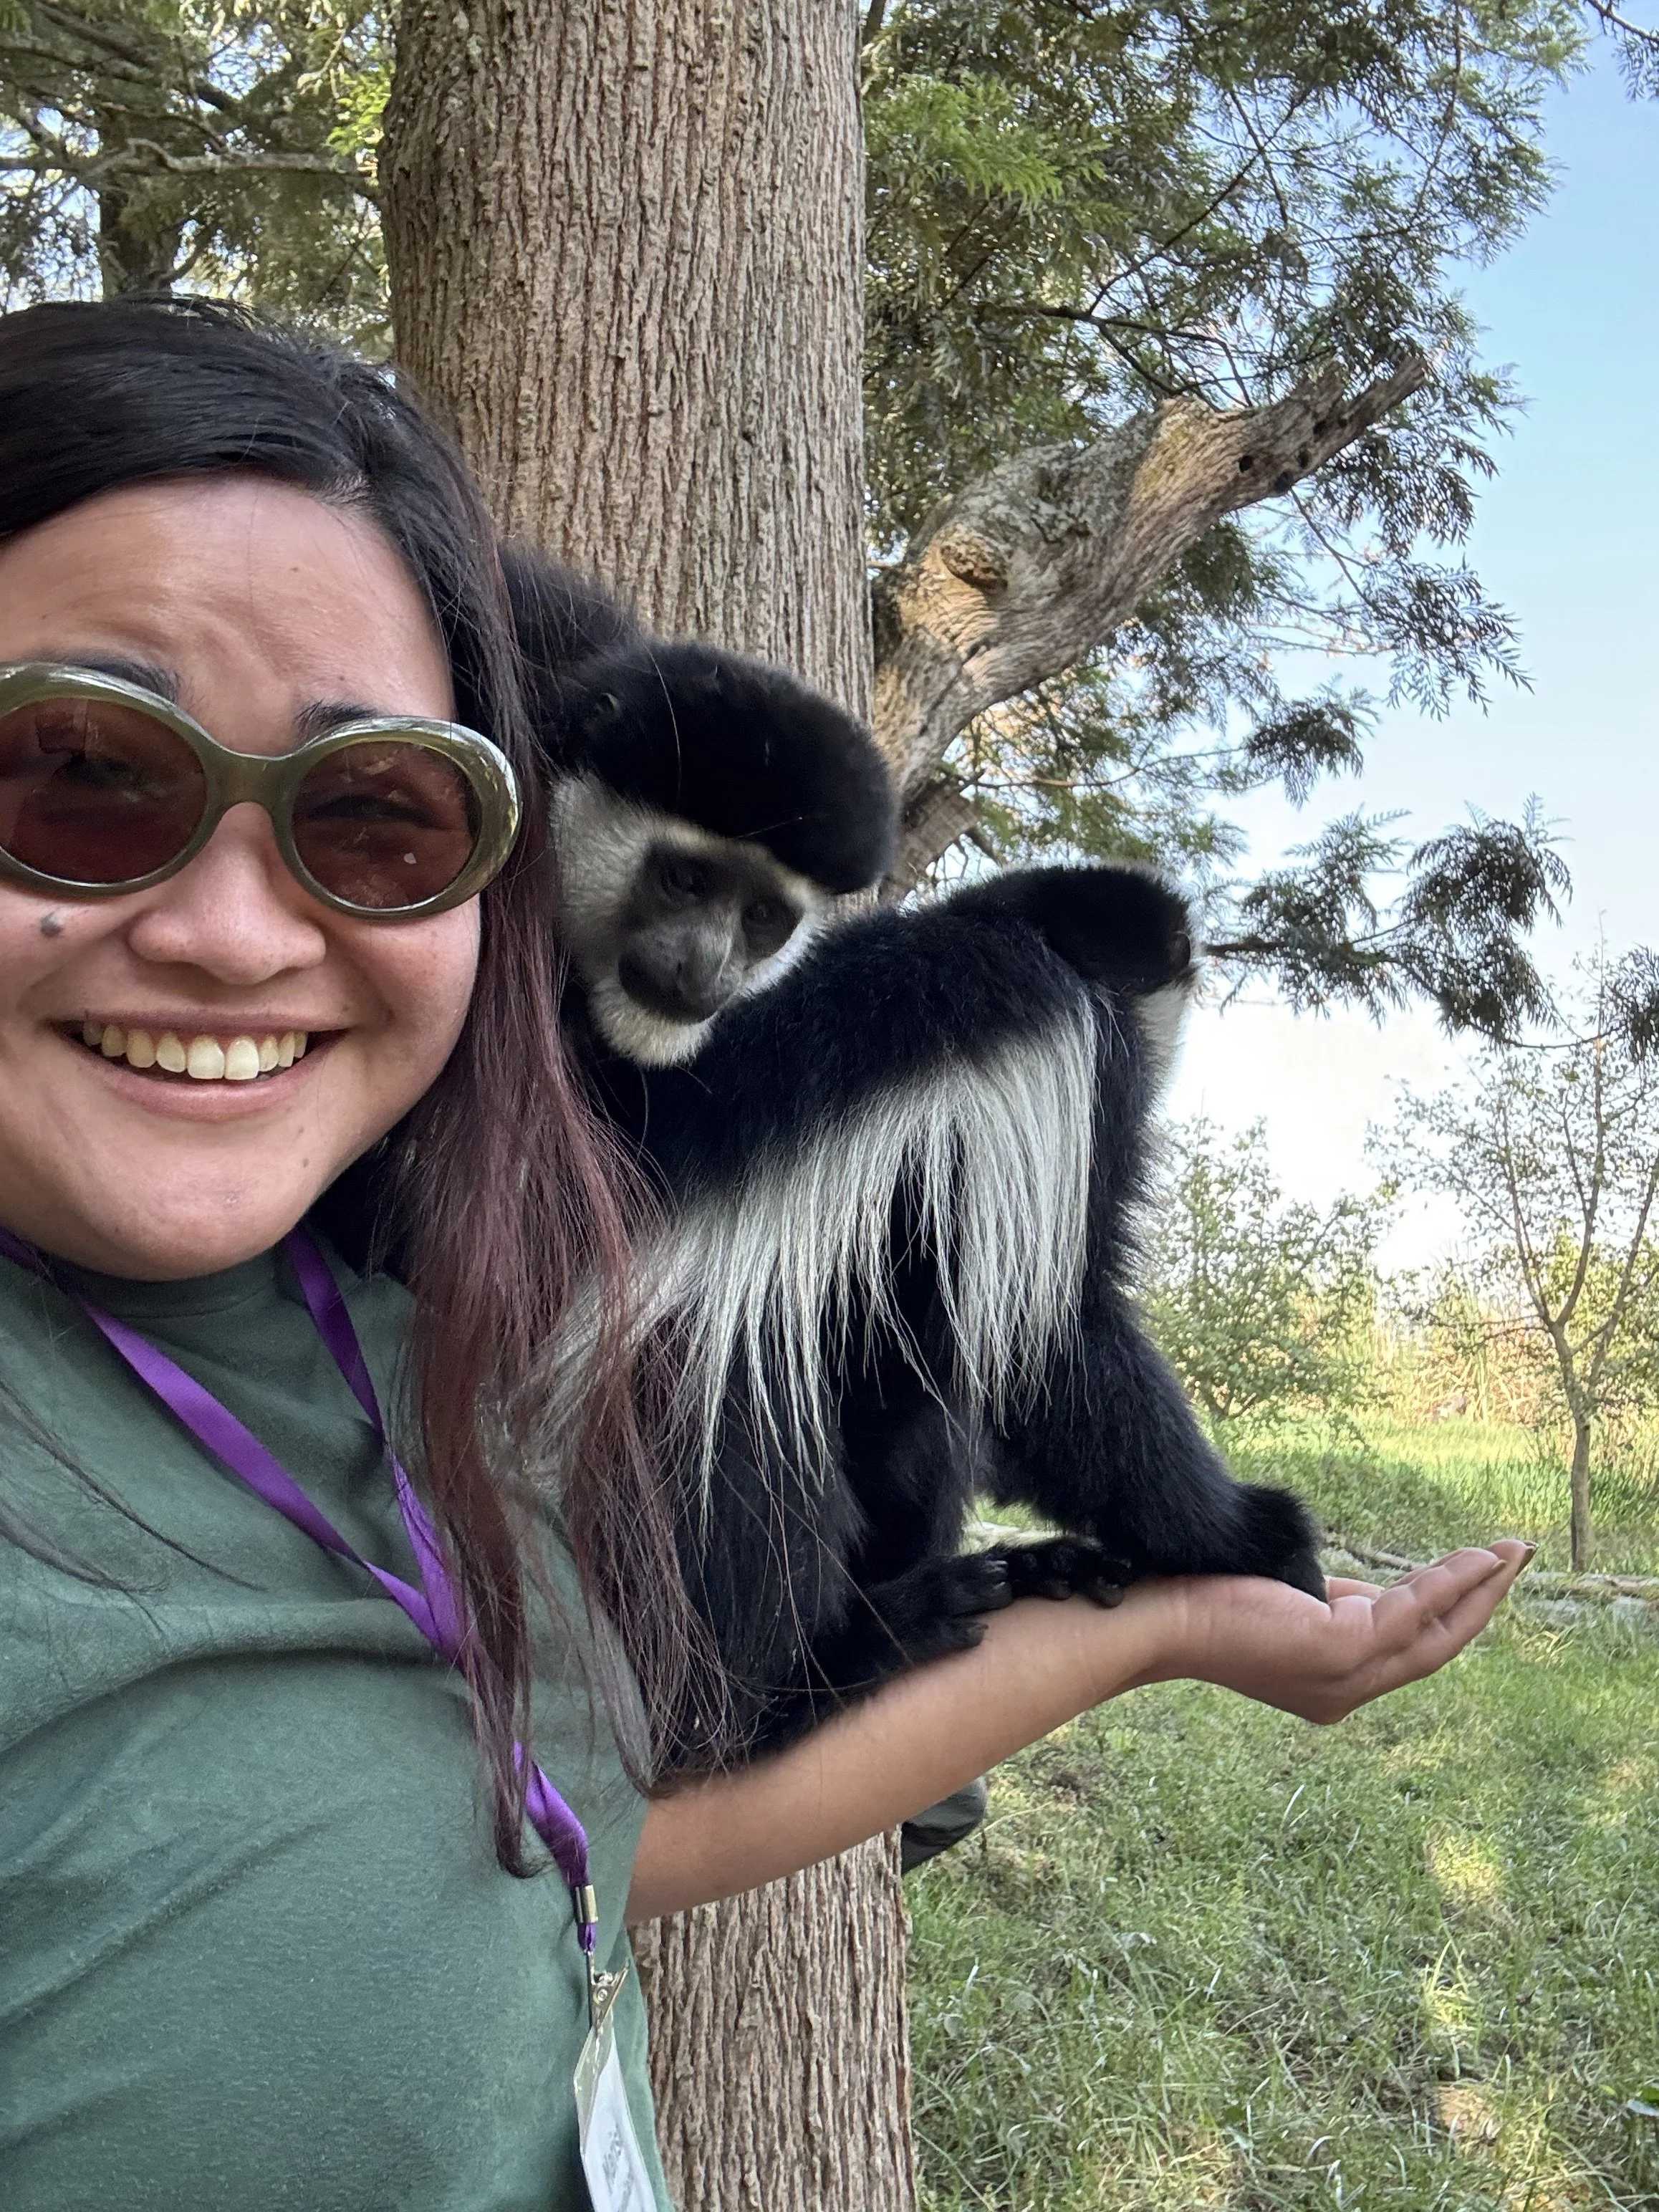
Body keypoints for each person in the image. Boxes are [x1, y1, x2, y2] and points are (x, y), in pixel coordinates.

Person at [0, 297, 1530, 2212]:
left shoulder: (368, 1325)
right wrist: (1211, 1530)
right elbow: (1055, 1357)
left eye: (370, 815)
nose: (232, 935)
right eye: (74, 776)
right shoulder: (979, 1018)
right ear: (553, 807)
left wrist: (1161, 1625)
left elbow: (586, 1834)